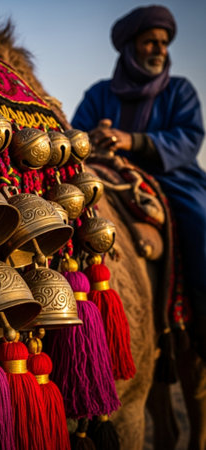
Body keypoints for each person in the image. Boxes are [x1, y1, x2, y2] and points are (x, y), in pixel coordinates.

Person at [71, 5, 206, 360]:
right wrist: (95, 139)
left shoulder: (180, 91)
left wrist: (132, 141)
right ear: (131, 47)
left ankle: (201, 328)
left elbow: (190, 136)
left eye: (163, 42)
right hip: (110, 174)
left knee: (202, 223)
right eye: (151, 42)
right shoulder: (99, 94)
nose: (160, 49)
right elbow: (74, 132)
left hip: (173, 176)